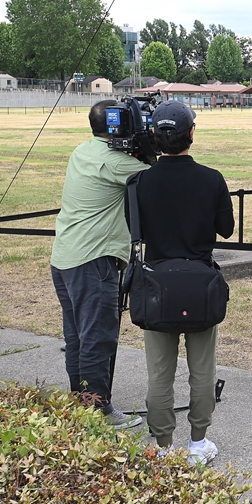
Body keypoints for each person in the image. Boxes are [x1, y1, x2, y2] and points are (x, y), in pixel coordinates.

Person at [132, 100, 234, 465]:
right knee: (202, 370)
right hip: (200, 281)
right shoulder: (212, 178)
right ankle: (198, 441)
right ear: (192, 133)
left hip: (157, 284)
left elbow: (135, 231)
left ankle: (162, 446)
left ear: (155, 136)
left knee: (159, 373)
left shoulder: (139, 181)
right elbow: (226, 229)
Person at [51, 100, 147, 429]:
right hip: (93, 262)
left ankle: (82, 403)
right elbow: (158, 179)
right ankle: (99, 411)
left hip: (65, 258)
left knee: (78, 336)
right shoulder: (118, 163)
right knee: (98, 337)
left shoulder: (83, 152)